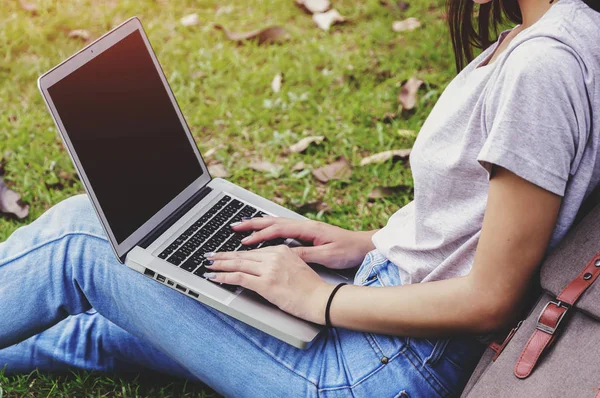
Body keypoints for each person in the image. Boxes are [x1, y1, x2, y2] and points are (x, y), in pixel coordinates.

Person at [2, 0, 600, 395]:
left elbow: (490, 299)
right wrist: (364, 243)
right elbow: (481, 224)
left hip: (379, 370)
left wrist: (320, 298)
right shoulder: (560, 34)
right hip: (389, 321)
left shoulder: (543, 67)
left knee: (79, 241)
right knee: (108, 324)